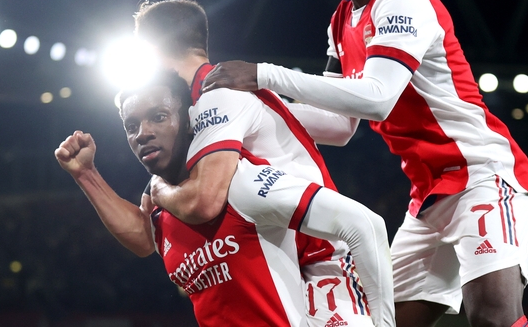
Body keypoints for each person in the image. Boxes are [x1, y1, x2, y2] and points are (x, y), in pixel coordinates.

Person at [201, 0, 528, 327]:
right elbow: (339, 126)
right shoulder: (341, 21)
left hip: (482, 174)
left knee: (493, 319)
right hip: (429, 197)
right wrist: (253, 108)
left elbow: (377, 99)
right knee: (385, 321)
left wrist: (264, 74)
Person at [54, 69, 393, 326]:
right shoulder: (164, 211)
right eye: (131, 126)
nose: (143, 133)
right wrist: (86, 174)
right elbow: (142, 239)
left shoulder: (240, 181)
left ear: (189, 122)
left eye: (158, 117)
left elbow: (366, 225)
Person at [134, 0, 394, 326]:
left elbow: (205, 201)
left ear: (150, 50)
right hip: (291, 262)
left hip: (319, 261)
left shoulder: (215, 96)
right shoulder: (235, 90)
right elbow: (338, 126)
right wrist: (338, 46)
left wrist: (158, 188)